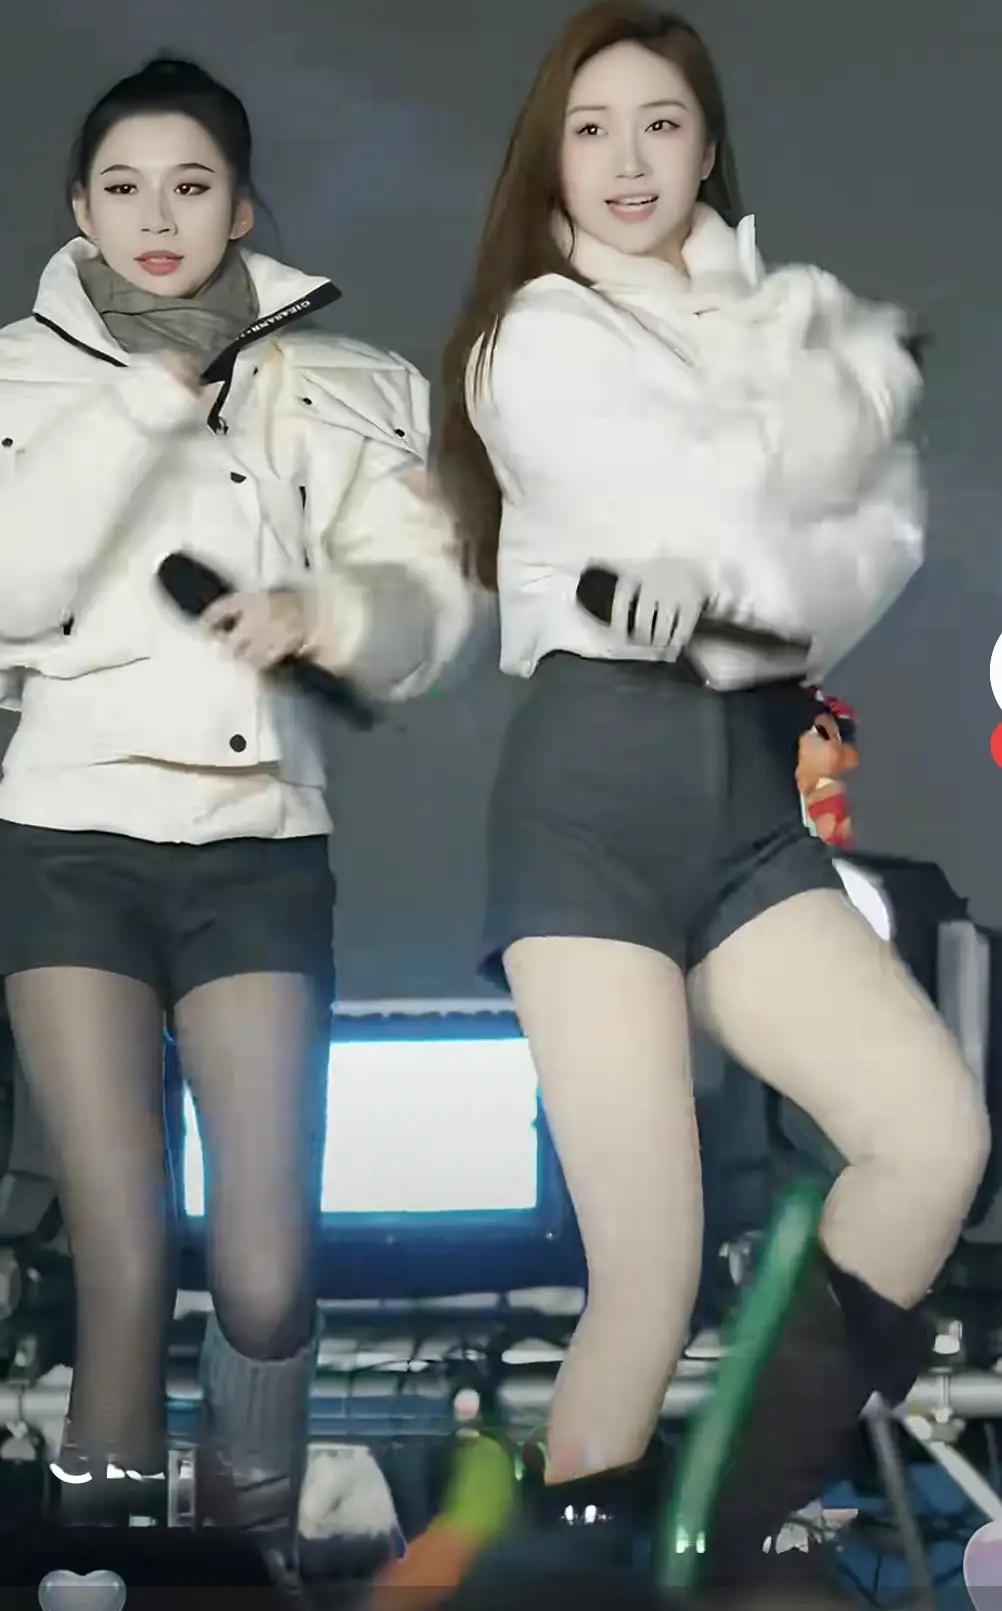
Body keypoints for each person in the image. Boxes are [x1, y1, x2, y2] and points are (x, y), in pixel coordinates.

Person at [437, 0, 989, 1585]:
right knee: (649, 1271)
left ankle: (706, 1535)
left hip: (745, 802)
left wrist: (800, 455)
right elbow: (699, 525)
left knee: (930, 1139)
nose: (627, 160)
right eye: (592, 127)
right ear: (551, 154)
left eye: (661, 124)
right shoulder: (533, 336)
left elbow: (849, 569)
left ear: (705, 149)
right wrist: (821, 420)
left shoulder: (775, 324)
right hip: (590, 807)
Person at [0, 55, 470, 1579]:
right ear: (78, 210)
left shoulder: (341, 381)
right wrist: (149, 399)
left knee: (267, 1277)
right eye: (124, 188)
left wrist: (327, 614)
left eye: (191, 186)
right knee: (122, 1258)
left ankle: (242, 1566)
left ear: (243, 209)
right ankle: (104, 1570)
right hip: (70, 835)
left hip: (259, 841)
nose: (157, 218)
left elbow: (429, 605)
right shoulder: (18, 380)